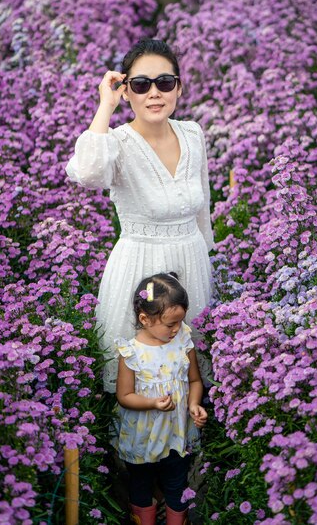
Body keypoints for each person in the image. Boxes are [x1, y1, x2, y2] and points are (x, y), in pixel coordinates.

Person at [65, 38, 213, 392]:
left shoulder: (192, 134)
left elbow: (202, 204)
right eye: (141, 85)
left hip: (192, 263)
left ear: (178, 86)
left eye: (164, 82)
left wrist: (208, 255)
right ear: (127, 91)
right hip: (140, 269)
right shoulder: (116, 143)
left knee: (189, 374)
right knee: (141, 380)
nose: (154, 94)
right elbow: (86, 173)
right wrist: (106, 105)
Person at [112, 272, 207, 525]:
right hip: (142, 437)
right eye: (169, 324)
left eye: (180, 322)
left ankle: (177, 518)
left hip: (177, 434)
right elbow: (124, 396)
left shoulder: (183, 341)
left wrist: (194, 404)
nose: (176, 329)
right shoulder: (131, 353)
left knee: (177, 482)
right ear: (145, 319)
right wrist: (152, 403)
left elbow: (195, 381)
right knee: (141, 483)